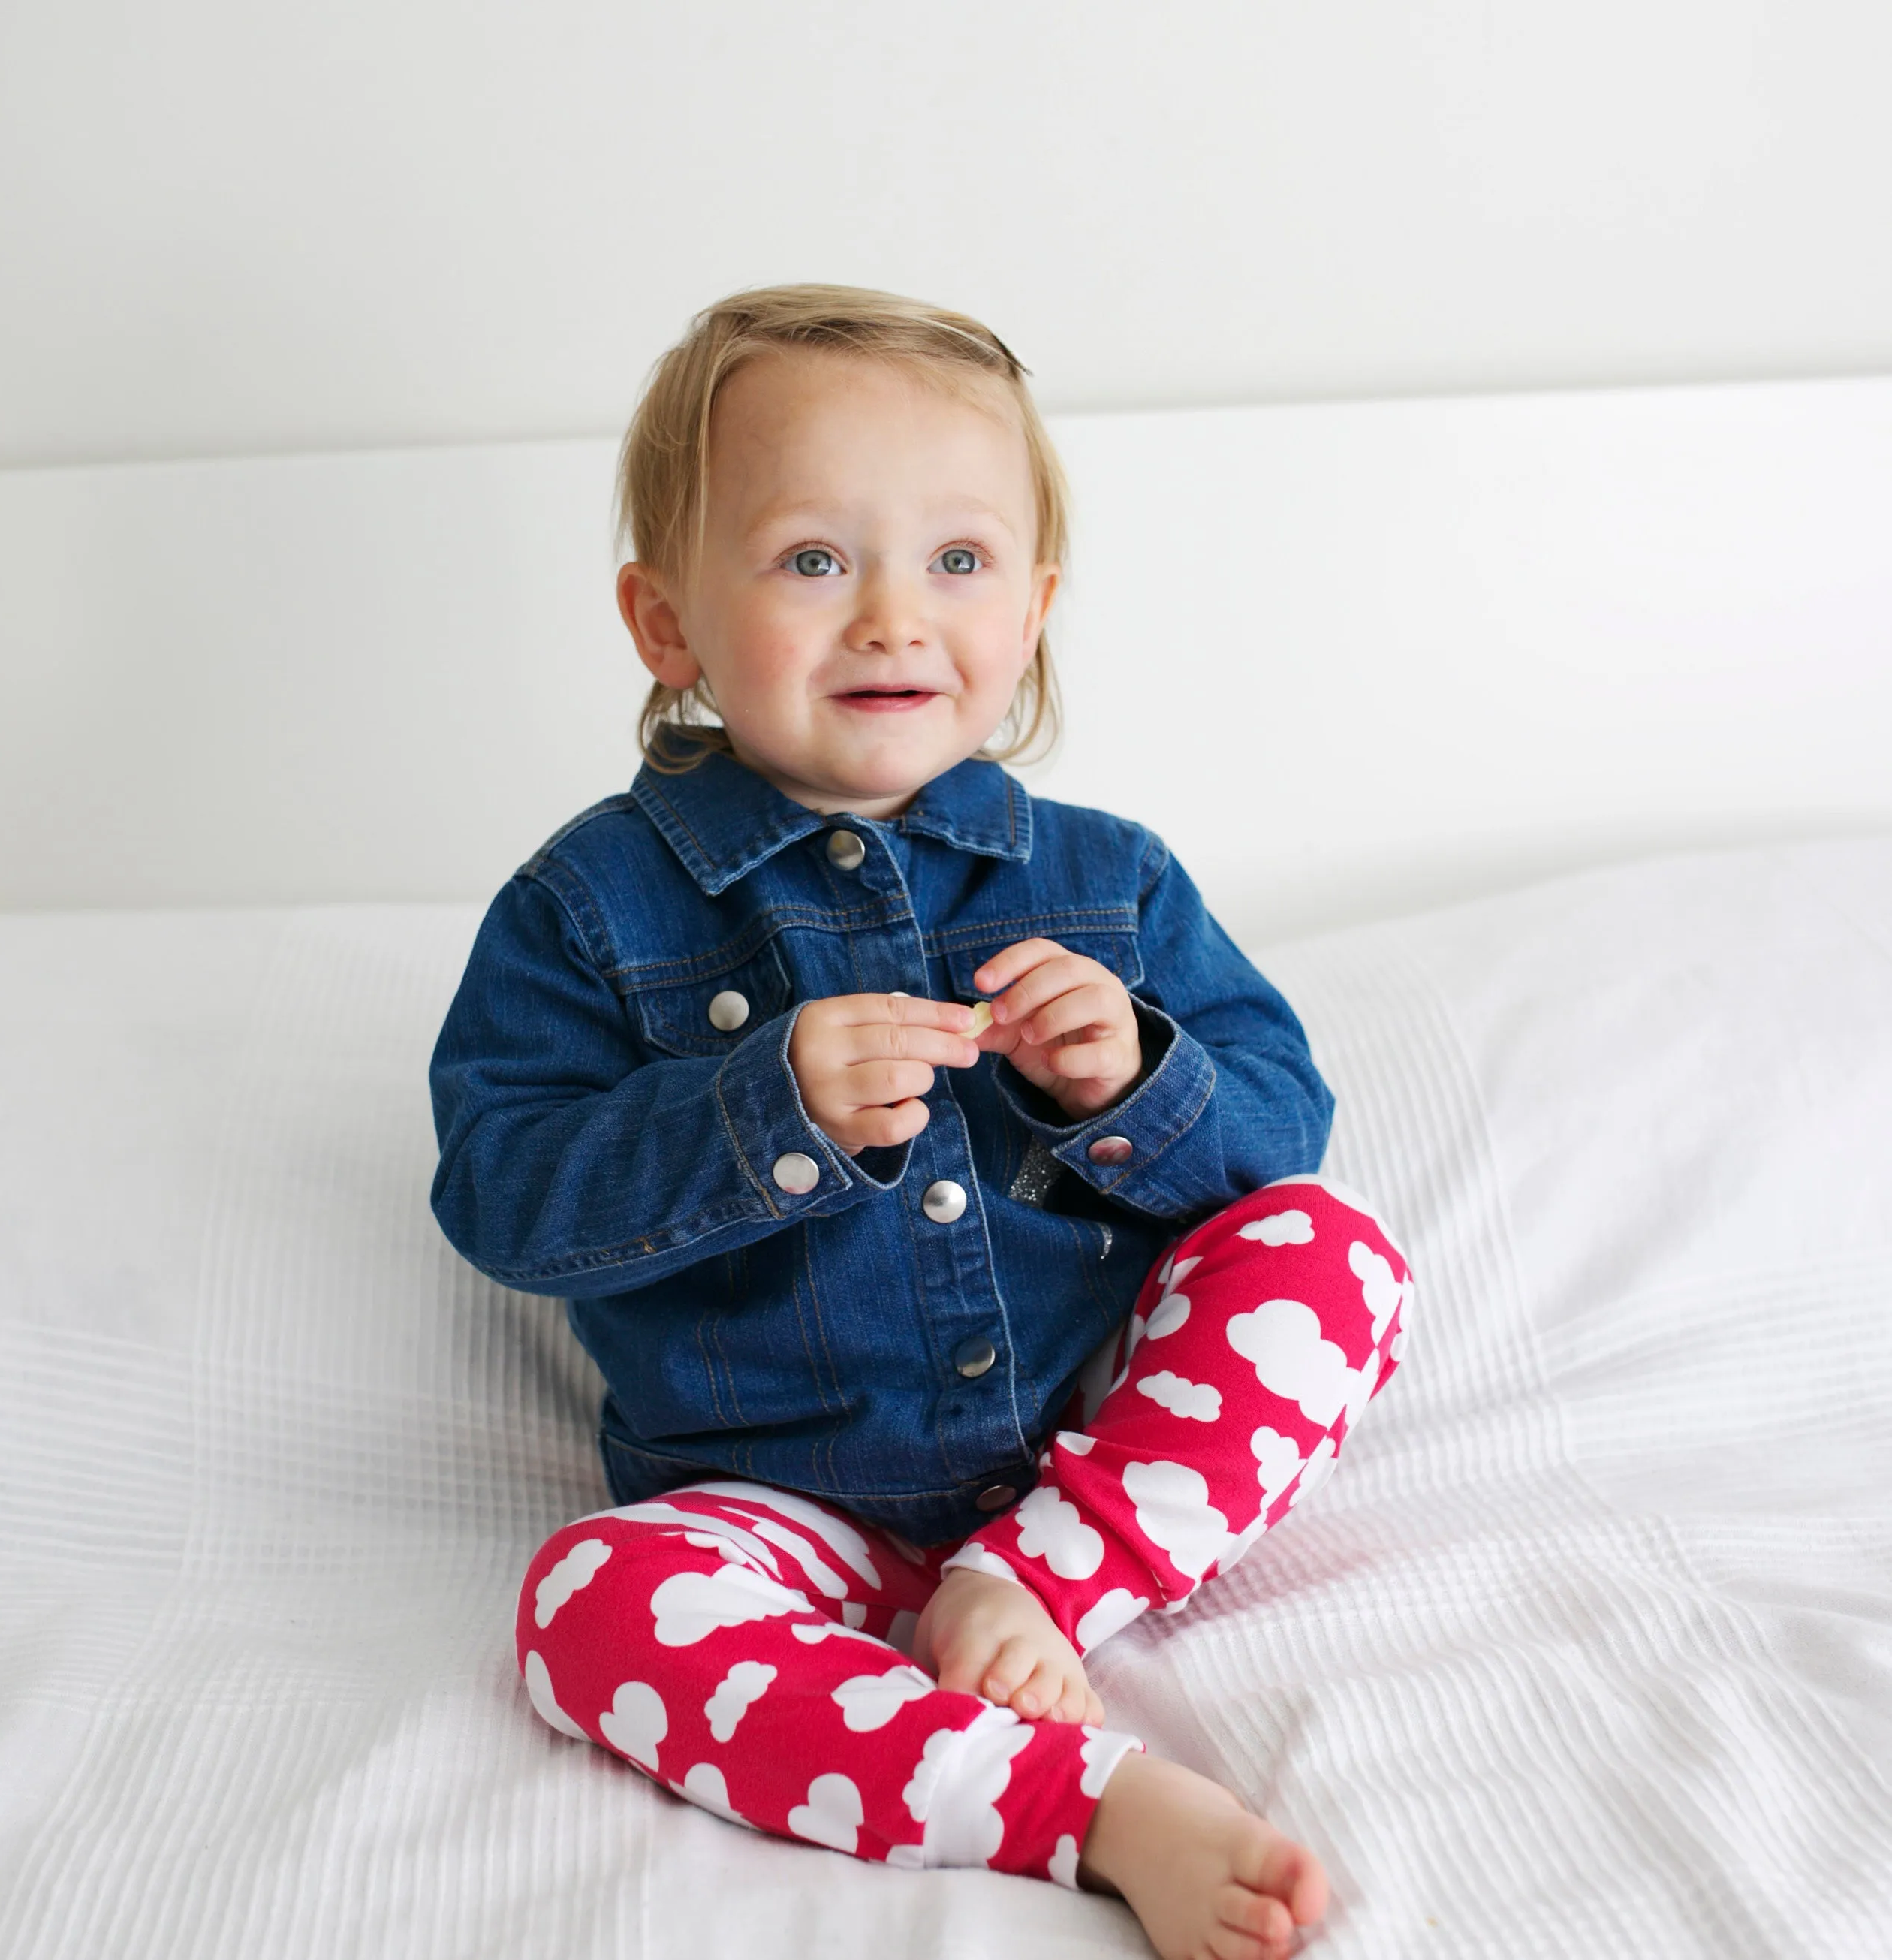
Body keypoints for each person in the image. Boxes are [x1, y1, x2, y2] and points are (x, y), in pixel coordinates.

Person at [429, 285, 1411, 1960]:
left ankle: (1038, 1585)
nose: (892, 614)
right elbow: (504, 1194)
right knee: (584, 1611)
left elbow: (1279, 1133)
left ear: (1031, 610)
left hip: (1085, 1452)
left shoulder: (1109, 881)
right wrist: (763, 1112)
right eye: (815, 559)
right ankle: (1083, 1809)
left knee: (1334, 1254)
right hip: (780, 1499)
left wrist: (1136, 1081)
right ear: (665, 621)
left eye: (957, 563)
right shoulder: (586, 909)